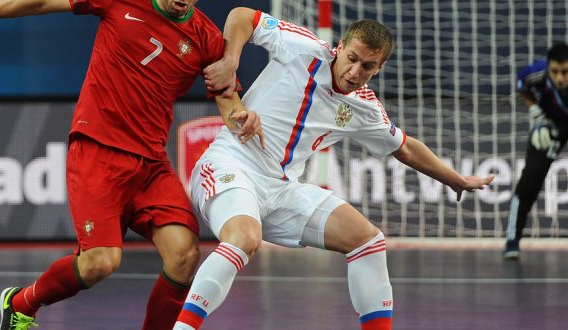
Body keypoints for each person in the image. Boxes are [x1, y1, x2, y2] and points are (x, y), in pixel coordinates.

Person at [0, 1, 265, 329]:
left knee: (184, 255)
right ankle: (21, 303)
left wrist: (242, 119)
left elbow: (228, 103)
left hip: (151, 163)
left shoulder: (205, 37)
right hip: (98, 151)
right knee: (100, 263)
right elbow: (40, 3)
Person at [173, 8, 495, 330]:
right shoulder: (303, 47)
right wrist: (231, 60)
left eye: (367, 67)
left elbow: (406, 147)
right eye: (352, 58)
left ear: (379, 68)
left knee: (367, 240)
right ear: (340, 47)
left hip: (281, 189)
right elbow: (243, 16)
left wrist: (456, 180)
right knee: (244, 237)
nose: (355, 72)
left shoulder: (365, 107)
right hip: (230, 165)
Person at [503, 43, 568, 260]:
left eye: (565, 72)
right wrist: (536, 113)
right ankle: (512, 241)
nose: (559, 78)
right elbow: (522, 84)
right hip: (550, 126)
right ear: (548, 67)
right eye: (555, 72)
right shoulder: (535, 74)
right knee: (530, 180)